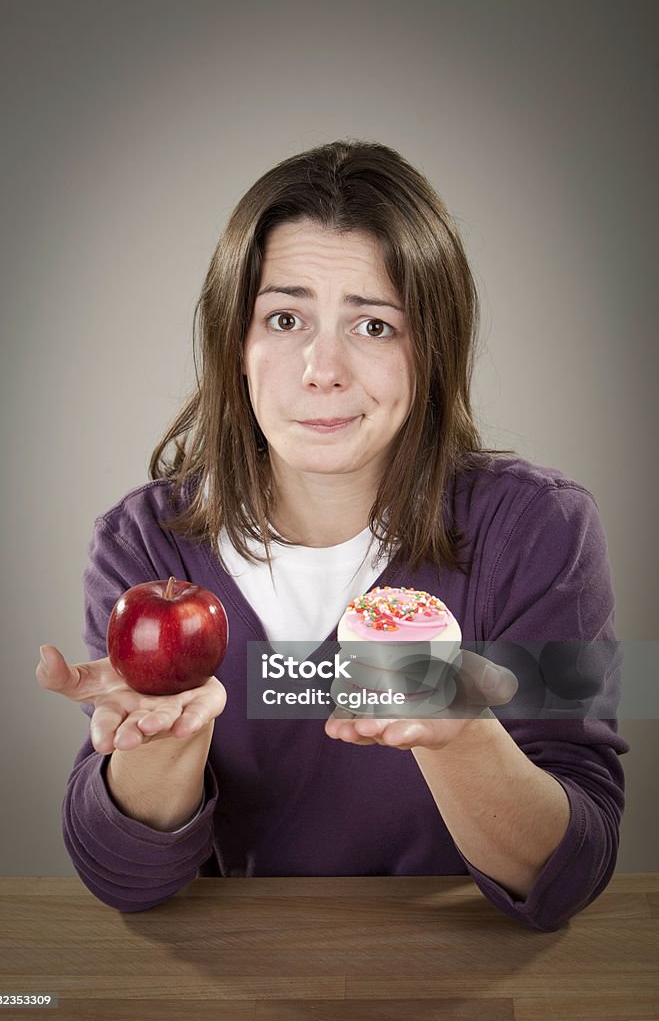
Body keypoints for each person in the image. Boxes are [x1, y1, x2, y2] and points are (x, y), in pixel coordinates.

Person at [37, 139, 627, 931]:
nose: (323, 368)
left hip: (457, 973)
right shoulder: (145, 545)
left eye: (375, 326)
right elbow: (123, 881)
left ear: (432, 350)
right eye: (284, 318)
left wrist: (454, 730)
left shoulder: (537, 532)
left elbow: (570, 873)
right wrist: (164, 740)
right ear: (234, 346)